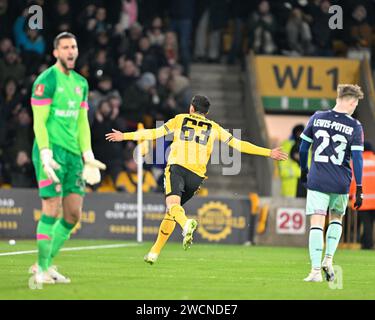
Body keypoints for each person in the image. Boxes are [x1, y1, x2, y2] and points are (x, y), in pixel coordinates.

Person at [106, 95, 288, 264]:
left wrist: (125, 136)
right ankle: (154, 252)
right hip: (197, 177)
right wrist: (268, 152)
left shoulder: (180, 119)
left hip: (177, 168)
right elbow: (239, 145)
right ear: (206, 112)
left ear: (191, 108)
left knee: (172, 207)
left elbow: (154, 133)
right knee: (172, 211)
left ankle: (186, 224)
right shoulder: (214, 127)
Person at [29, 32, 106, 285]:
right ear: (56, 52)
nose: (71, 51)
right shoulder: (46, 80)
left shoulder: (81, 83)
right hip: (51, 152)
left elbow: (82, 121)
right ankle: (40, 269)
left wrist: (88, 154)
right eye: (65, 47)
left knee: (73, 215)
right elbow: (39, 121)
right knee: (51, 208)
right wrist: (45, 152)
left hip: (74, 155)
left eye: (73, 46)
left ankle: (46, 264)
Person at [299, 84, 364, 282]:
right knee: (336, 219)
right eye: (356, 103)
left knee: (317, 223)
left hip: (318, 179)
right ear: (352, 102)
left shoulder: (317, 117)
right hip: (340, 182)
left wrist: (304, 172)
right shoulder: (355, 126)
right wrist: (359, 188)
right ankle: (329, 259)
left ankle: (315, 271)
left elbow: (303, 148)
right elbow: (357, 159)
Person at [349, 142, 375, 249]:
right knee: (371, 223)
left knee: (366, 224)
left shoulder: (355, 163)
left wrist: (350, 195)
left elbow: (351, 181)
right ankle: (366, 242)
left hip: (363, 200)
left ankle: (367, 245)